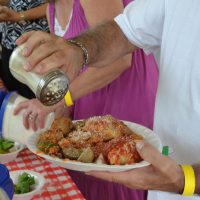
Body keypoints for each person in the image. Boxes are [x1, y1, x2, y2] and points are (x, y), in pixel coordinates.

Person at [14, 0, 159, 200]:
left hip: (126, 94)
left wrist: (61, 99)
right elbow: (69, 71)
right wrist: (57, 122)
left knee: (120, 175)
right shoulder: (52, 8)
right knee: (88, 171)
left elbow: (120, 60)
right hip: (87, 95)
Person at [0, 1, 49, 98]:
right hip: (9, 42)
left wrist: (19, 16)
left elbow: (57, 5)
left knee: (40, 99)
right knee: (13, 102)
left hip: (37, 47)